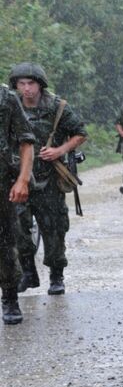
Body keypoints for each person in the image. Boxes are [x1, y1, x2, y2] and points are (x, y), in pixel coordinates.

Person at [10, 63, 87, 296]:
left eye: (30, 83)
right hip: (18, 177)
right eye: (21, 84)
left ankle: (56, 275)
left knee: (53, 228)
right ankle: (28, 272)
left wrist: (59, 150)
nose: (26, 89)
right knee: (18, 228)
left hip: (49, 178)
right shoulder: (10, 106)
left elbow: (80, 133)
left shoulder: (57, 107)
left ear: (40, 85)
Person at [0, 84, 36, 325]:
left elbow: (26, 142)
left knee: (5, 241)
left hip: (2, 180)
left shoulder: (6, 98)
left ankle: (9, 297)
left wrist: (23, 179)